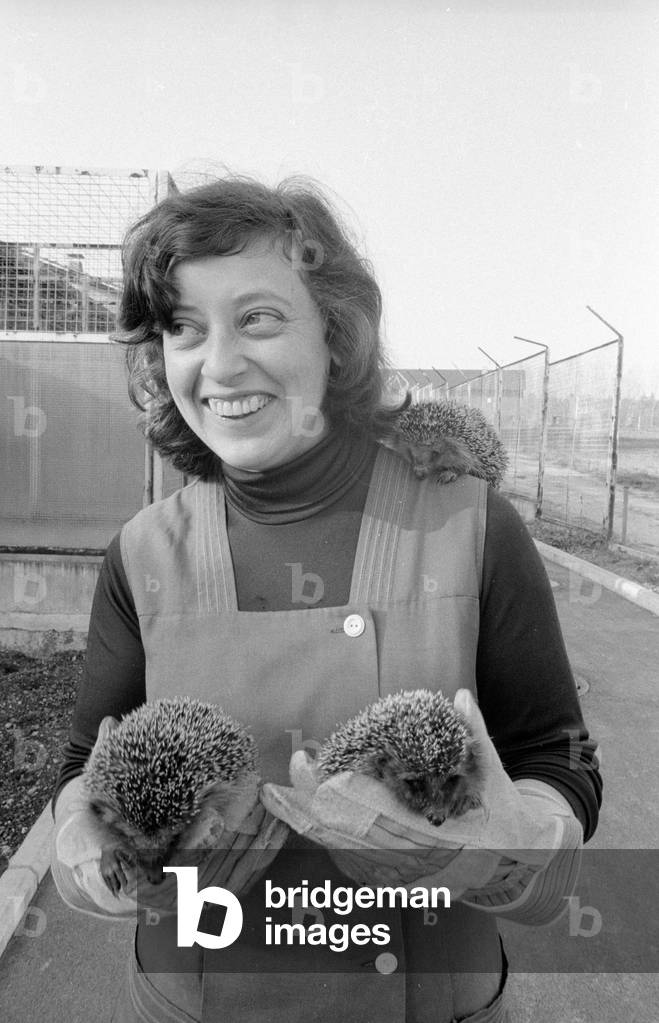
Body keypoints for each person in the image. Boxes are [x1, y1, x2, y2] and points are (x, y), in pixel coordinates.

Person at [51, 175, 602, 1023]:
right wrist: (101, 861)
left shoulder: (469, 526)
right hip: (187, 999)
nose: (218, 363)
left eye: (258, 318)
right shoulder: (142, 553)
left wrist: (509, 841)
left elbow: (556, 758)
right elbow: (84, 767)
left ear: (336, 337)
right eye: (183, 327)